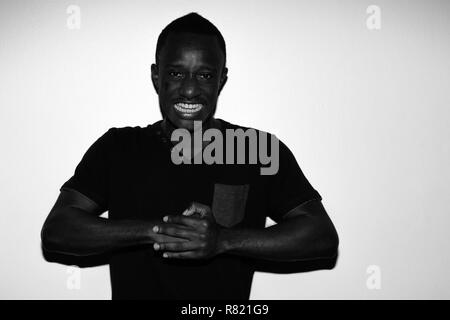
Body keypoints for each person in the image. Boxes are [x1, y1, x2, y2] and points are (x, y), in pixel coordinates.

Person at [41, 12, 339, 300]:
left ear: (221, 80)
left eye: (205, 75)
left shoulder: (256, 149)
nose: (190, 89)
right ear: (156, 77)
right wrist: (157, 231)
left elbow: (321, 236)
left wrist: (223, 240)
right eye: (175, 73)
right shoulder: (118, 147)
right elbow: (58, 230)